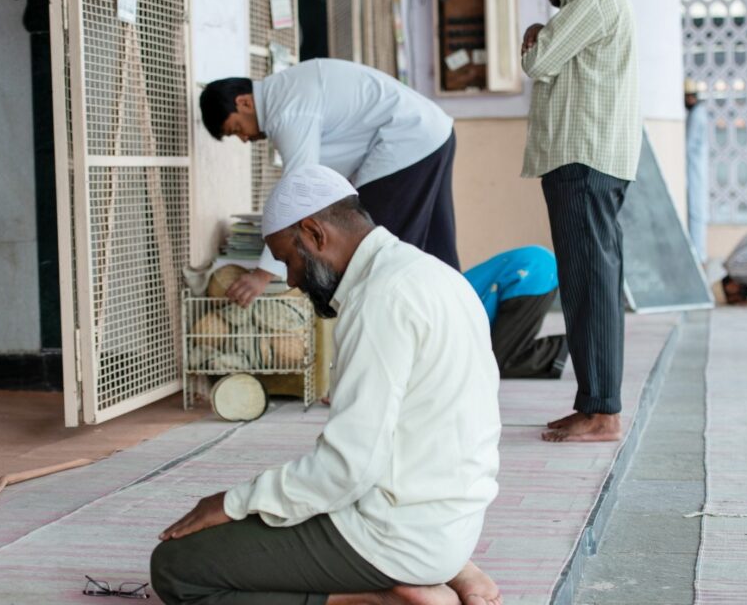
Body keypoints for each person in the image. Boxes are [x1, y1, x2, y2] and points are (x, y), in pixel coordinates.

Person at [151, 165, 503, 605]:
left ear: (315, 233)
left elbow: (346, 470)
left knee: (177, 568)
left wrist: (232, 502)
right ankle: (450, 569)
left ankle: (380, 598)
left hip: (395, 535)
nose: (291, 280)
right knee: (283, 510)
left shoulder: (379, 299)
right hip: (453, 522)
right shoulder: (433, 273)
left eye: (287, 260)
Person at [199, 59, 459, 308]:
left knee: (378, 252)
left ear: (244, 102)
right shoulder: (289, 88)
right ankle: (459, 306)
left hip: (407, 142)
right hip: (434, 133)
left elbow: (298, 191)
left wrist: (262, 275)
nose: (244, 139)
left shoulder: (286, 108)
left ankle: (403, 319)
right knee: (437, 246)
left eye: (236, 129)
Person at [520, 0, 641, 443]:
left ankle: (602, 413)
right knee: (589, 285)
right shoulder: (589, 3)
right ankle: (594, 405)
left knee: (590, 286)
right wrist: (544, 31)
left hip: (584, 160)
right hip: (585, 161)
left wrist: (538, 36)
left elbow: (538, 61)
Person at [464, 246, 569, 378]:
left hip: (529, 274)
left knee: (494, 363)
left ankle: (568, 346)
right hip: (532, 268)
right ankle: (568, 347)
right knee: (492, 359)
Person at [684, 78, 709, 262]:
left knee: (696, 213)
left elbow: (688, 145)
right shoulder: (699, 113)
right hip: (696, 169)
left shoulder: (696, 115)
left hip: (695, 170)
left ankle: (698, 256)